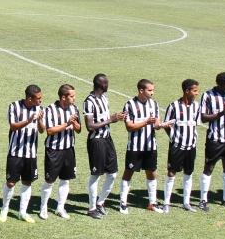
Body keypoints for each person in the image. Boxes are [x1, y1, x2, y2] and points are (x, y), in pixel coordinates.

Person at [119, 79, 167, 214]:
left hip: (150, 146)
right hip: (134, 146)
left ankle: (152, 203)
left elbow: (156, 124)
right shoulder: (129, 105)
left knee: (151, 172)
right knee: (129, 172)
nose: (152, 92)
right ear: (141, 90)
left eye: (153, 90)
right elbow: (129, 127)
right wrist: (146, 122)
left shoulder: (154, 104)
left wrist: (163, 125)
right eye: (150, 90)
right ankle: (123, 202)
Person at [198, 72, 225, 211]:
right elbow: (203, 118)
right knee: (208, 168)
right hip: (215, 139)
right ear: (220, 84)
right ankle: (203, 200)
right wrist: (220, 114)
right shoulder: (208, 95)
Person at [0, 85, 44, 223]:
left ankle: (22, 212)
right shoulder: (14, 106)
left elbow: (42, 130)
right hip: (15, 151)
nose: (41, 101)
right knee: (11, 182)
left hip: (31, 153)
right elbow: (13, 126)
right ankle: (4, 208)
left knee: (27, 182)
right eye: (38, 98)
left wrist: (40, 120)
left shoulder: (40, 109)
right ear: (30, 98)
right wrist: (29, 120)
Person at [84, 74, 126, 219]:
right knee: (96, 174)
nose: (108, 85)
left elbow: (106, 120)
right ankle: (91, 208)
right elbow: (89, 126)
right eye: (106, 83)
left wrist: (117, 117)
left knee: (113, 173)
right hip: (96, 142)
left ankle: (100, 202)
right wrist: (111, 119)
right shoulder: (89, 101)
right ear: (100, 84)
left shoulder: (104, 98)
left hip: (107, 139)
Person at [38, 85, 81, 220]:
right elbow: (49, 131)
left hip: (69, 149)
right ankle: (43, 207)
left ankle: (60, 208)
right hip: (54, 150)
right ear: (63, 97)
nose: (74, 98)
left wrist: (74, 124)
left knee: (66, 180)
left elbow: (79, 130)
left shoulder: (74, 109)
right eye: (72, 96)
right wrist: (67, 123)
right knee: (49, 180)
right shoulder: (50, 110)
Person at [163, 79, 200, 213]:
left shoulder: (196, 106)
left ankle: (186, 202)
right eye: (195, 90)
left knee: (188, 173)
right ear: (187, 91)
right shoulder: (173, 106)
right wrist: (173, 137)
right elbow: (166, 124)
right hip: (177, 146)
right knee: (172, 172)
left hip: (191, 145)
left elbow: (196, 123)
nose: (197, 93)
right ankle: (166, 202)